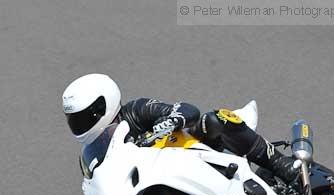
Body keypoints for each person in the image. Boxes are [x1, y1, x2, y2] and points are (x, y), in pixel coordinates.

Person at [62, 73, 299, 184]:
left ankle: (282, 165)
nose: (81, 124)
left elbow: (186, 110)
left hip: (197, 153)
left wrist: (170, 121)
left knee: (215, 120)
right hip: (159, 181)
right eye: (75, 120)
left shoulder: (136, 110)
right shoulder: (95, 151)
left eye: (85, 116)